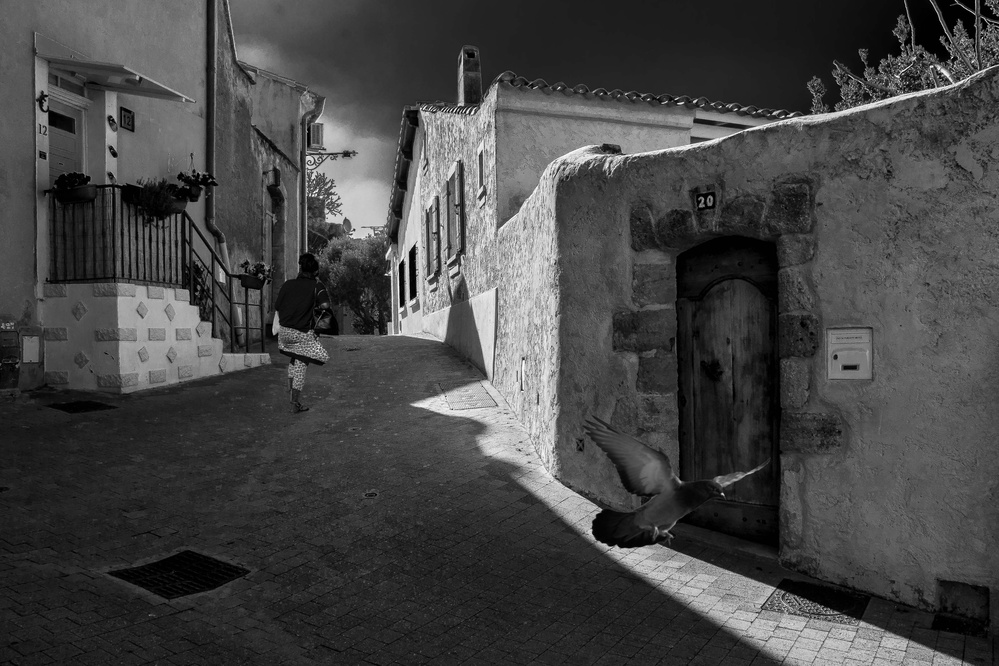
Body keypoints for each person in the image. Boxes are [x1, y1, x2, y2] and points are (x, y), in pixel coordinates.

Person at [274, 253, 331, 413]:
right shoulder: (317, 286)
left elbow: (278, 306)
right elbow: (325, 305)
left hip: (284, 333)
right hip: (302, 333)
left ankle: (290, 388)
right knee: (306, 360)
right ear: (315, 271)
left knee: (296, 355)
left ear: (300, 268)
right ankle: (294, 402)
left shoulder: (287, 284)